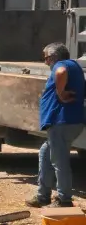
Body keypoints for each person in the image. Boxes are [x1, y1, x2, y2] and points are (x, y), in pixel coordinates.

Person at [26, 43, 85, 208]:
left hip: (62, 122)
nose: (46, 63)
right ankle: (42, 195)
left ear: (53, 57)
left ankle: (64, 200)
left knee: (60, 161)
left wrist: (60, 93)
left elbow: (60, 72)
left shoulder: (62, 65)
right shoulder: (74, 65)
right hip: (66, 122)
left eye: (46, 58)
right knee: (45, 153)